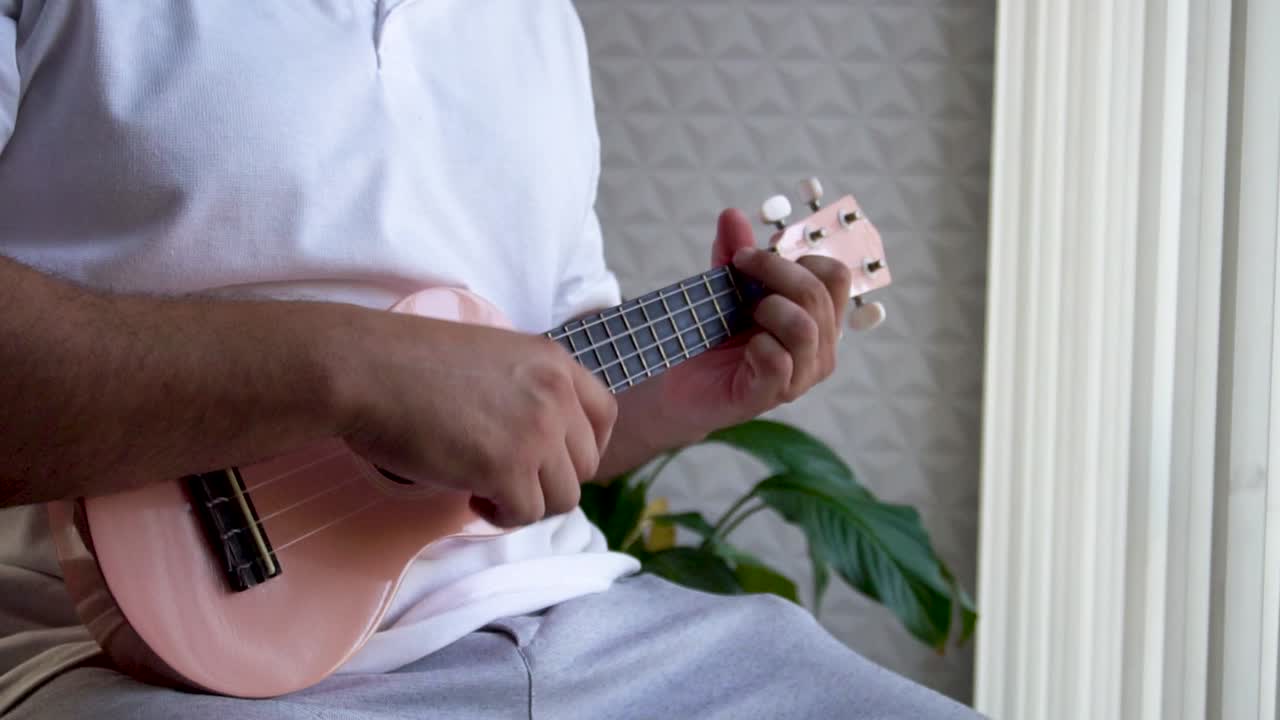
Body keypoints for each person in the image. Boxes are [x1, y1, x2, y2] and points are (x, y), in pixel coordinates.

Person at [0, 2, 979, 718]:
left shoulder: (535, 22)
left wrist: (682, 395)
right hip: (149, 663)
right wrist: (353, 368)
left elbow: (526, 429)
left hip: (592, 633)